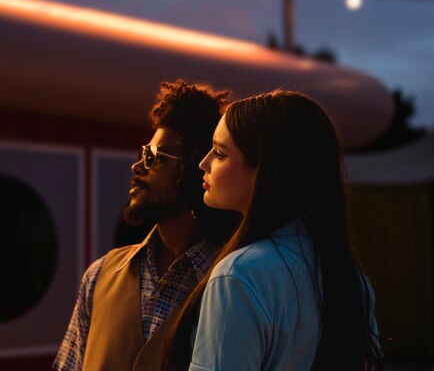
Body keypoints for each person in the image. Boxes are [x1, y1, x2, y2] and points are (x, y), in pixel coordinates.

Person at [163, 91, 384, 371]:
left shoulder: (239, 275)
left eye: (219, 153)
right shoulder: (350, 277)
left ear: (266, 171)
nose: (203, 163)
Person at [53, 80, 240, 371]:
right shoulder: (99, 276)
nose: (137, 167)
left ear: (193, 169)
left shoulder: (233, 281)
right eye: (143, 154)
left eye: (153, 157)